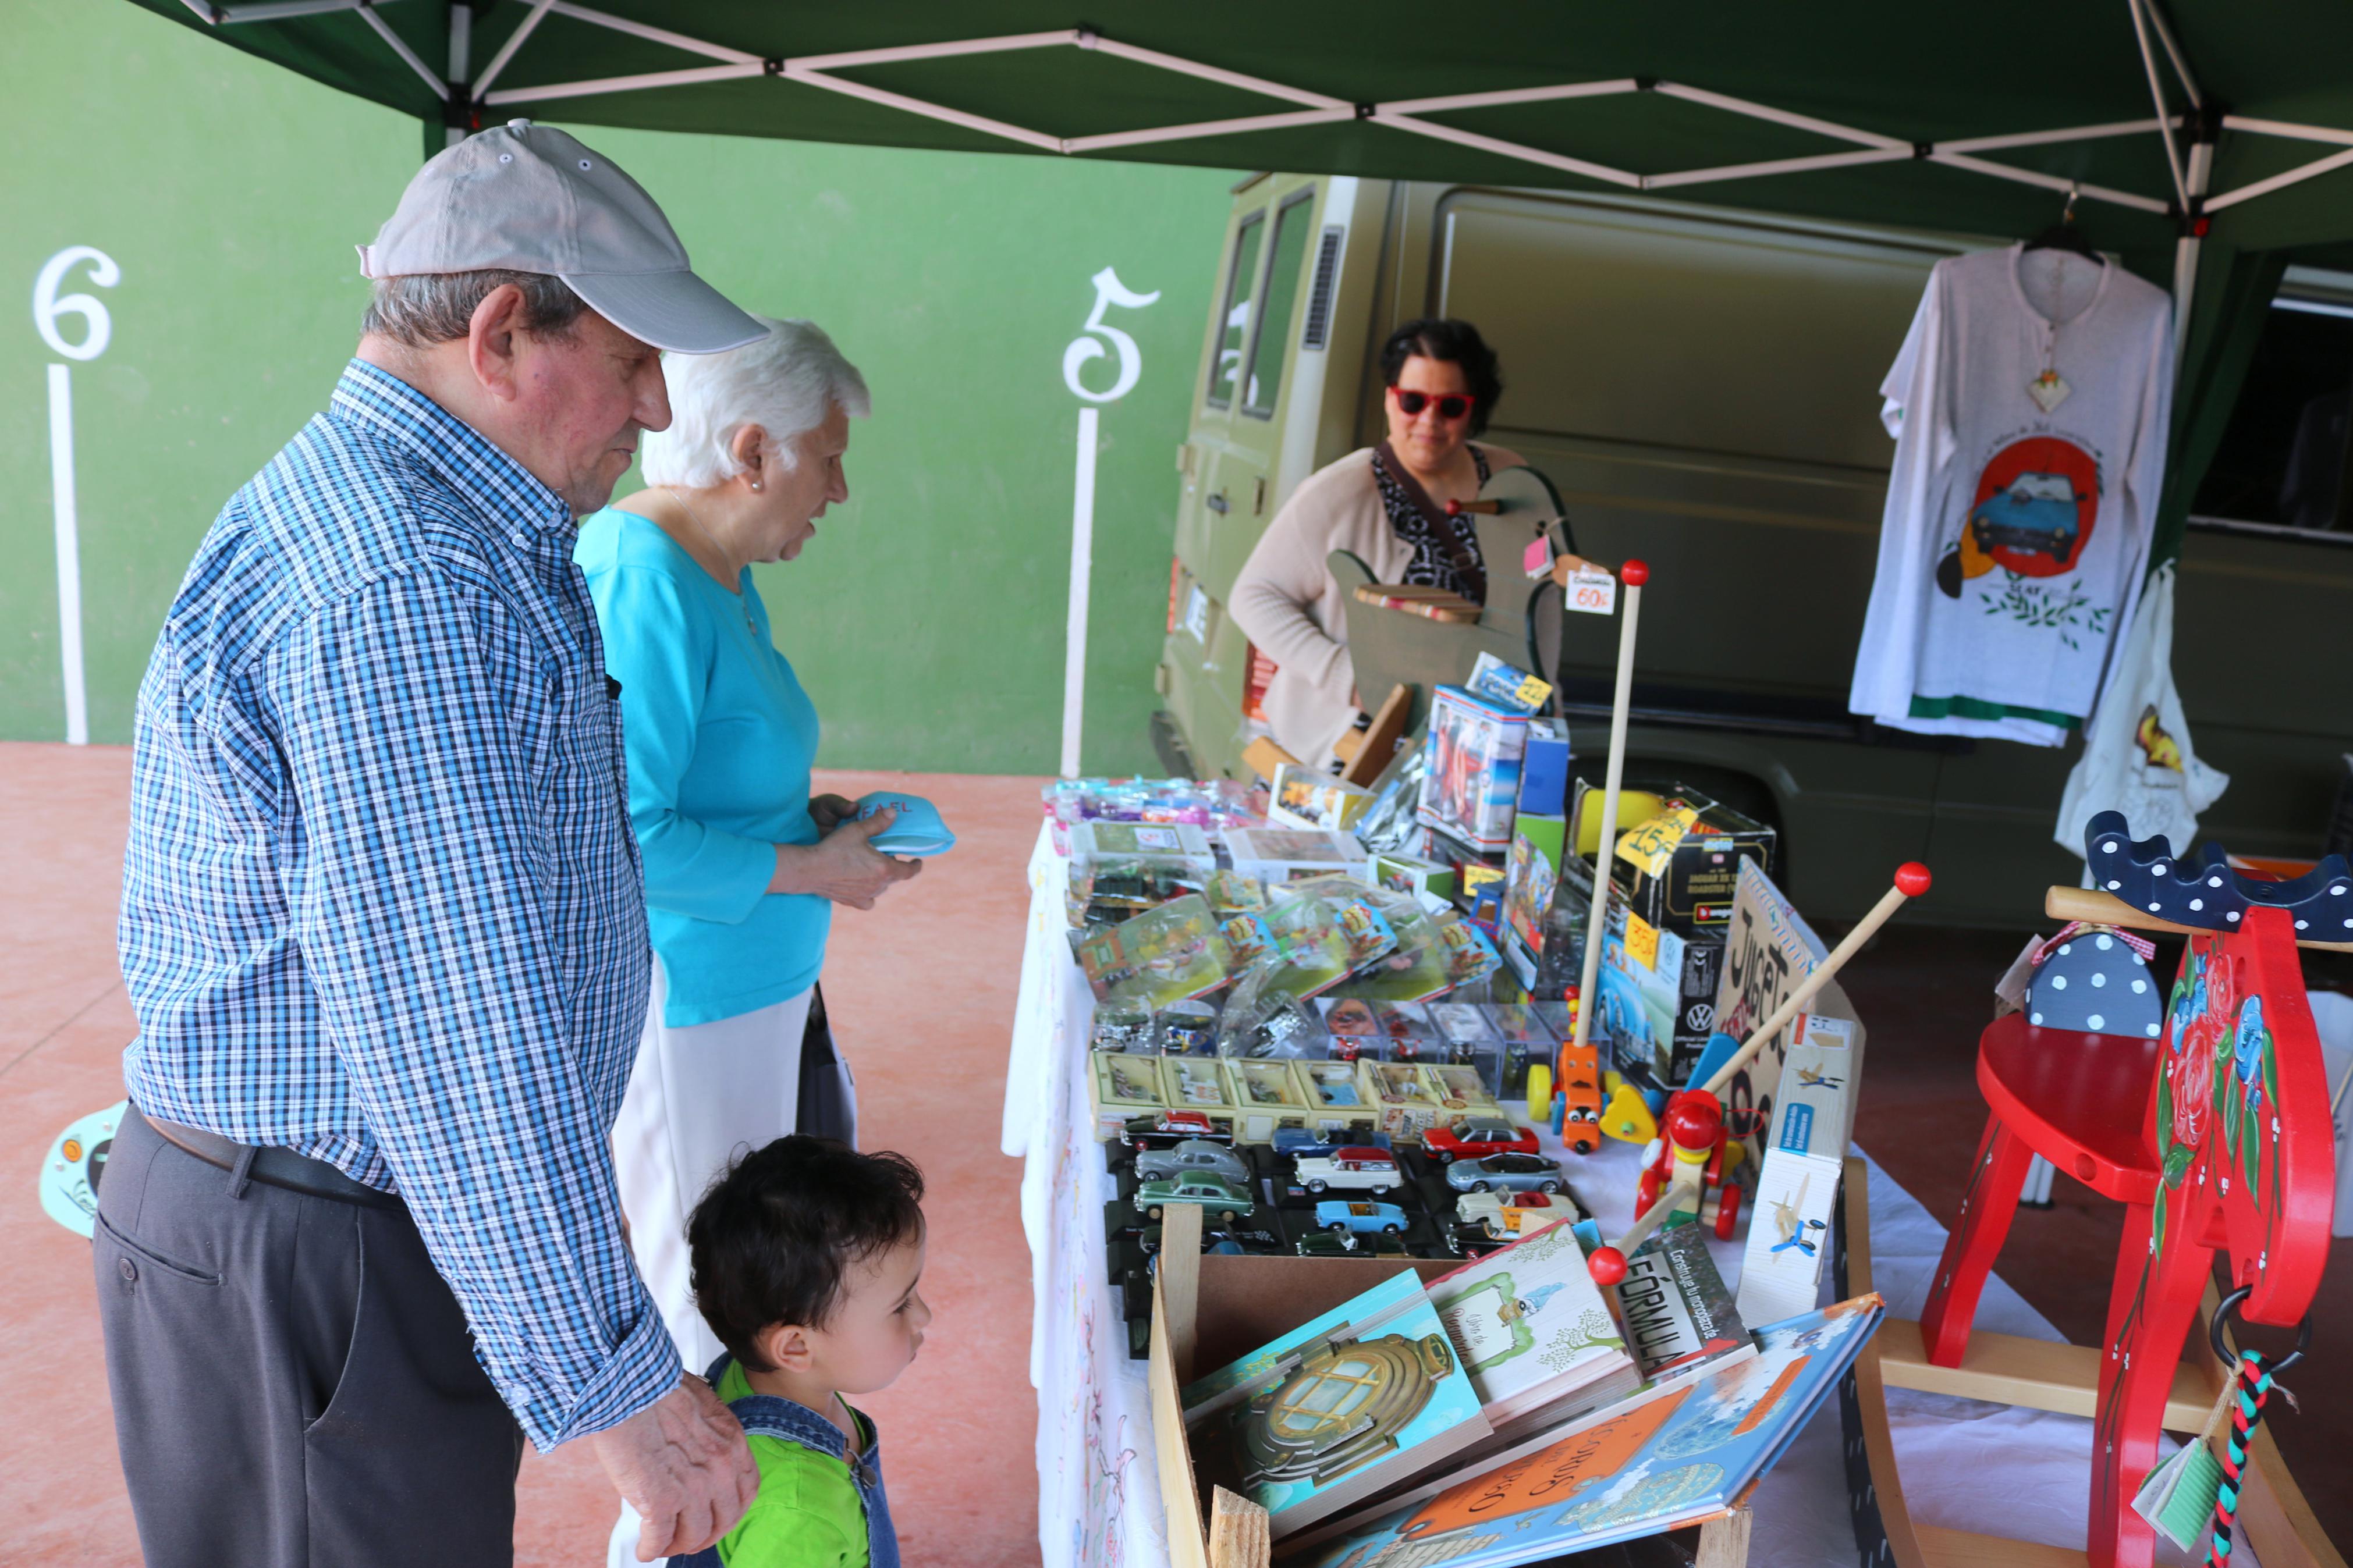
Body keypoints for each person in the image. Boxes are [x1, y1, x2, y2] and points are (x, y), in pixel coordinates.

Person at [106, 120, 765, 1567]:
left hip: (313, 1236)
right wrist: (617, 1386)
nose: (655, 408)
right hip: (319, 1252)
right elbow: (459, 1028)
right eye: (632, 356)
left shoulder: (431, 530)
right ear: (499, 333)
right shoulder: (410, 582)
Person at [574, 318, 918, 1469]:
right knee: (697, 1300)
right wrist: (817, 870)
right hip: (689, 1004)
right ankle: (676, 1530)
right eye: (827, 456)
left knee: (740, 1285)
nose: (839, 488)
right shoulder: (643, 580)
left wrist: (812, 830)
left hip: (746, 993)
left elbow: (708, 787)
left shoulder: (717, 576)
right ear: (755, 452)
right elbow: (622, 831)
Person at [1228, 319, 1522, 769]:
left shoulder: (1508, 479)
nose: (1428, 420)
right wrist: (1347, 675)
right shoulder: (1340, 490)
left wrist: (1542, 705)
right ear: (1389, 398)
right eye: (1412, 401)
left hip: (1466, 752)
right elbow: (1253, 596)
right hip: (1347, 749)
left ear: (1473, 407)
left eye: (1450, 406)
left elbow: (1534, 607)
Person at [667, 1136, 930, 1568]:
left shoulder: (765, 1378)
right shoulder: (799, 1507)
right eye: (900, 1305)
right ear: (795, 1346)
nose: (924, 1316)